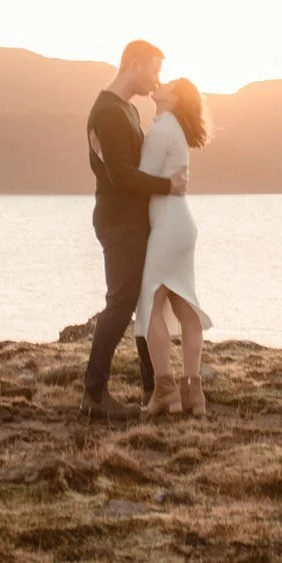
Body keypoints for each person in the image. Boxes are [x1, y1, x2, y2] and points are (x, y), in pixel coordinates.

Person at [80, 39, 187, 420]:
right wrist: (167, 186)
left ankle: (154, 387)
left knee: (144, 302)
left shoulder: (125, 110)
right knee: (123, 303)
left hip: (133, 219)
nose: (157, 78)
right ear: (135, 65)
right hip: (119, 221)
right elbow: (122, 176)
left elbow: (130, 164)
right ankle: (94, 394)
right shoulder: (108, 112)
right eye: (154, 69)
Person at [135, 77, 214, 418]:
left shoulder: (162, 129)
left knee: (150, 304)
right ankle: (192, 391)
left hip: (167, 223)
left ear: (174, 97)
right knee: (184, 305)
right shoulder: (176, 130)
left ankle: (165, 389)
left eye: (167, 84)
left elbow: (141, 179)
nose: (159, 84)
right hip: (181, 223)